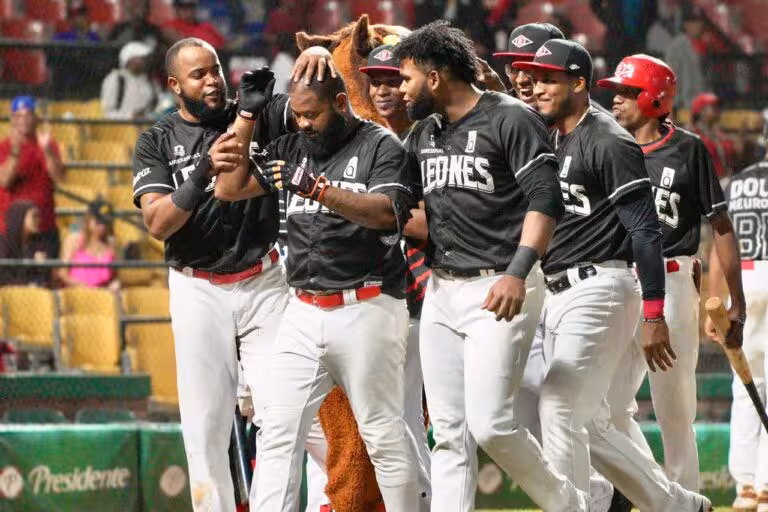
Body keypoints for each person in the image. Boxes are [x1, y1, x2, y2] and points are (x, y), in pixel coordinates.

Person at [394, 21, 588, 512]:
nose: (400, 88)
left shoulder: (509, 118)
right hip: (442, 288)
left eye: (406, 78)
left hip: (500, 283)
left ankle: (571, 504)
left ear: (434, 78)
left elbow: (547, 200)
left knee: (492, 424)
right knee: (450, 433)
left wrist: (518, 272)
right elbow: (408, 209)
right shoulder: (423, 133)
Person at [513, 39, 713, 511]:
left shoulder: (608, 139)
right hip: (560, 290)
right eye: (533, 78)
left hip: (601, 284)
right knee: (594, 420)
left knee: (560, 409)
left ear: (578, 83)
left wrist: (654, 313)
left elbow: (646, 231)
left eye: (548, 79)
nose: (536, 87)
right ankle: (679, 505)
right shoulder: (554, 135)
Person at [131, 37, 330, 512]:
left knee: (289, 411)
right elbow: (158, 223)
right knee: (205, 426)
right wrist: (200, 173)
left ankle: (324, 502)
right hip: (197, 286)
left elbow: (316, 108)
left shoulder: (256, 111)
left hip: (264, 280)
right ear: (174, 85)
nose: (213, 81)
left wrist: (317, 57)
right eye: (199, 74)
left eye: (215, 69)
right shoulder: (157, 140)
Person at [215, 65, 420, 510]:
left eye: (312, 115)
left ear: (341, 104)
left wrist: (318, 190)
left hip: (367, 304)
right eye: (297, 115)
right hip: (303, 310)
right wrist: (248, 119)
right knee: (277, 433)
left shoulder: (378, 145)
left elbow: (388, 213)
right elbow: (228, 189)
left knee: (382, 434)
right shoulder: (291, 147)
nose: (303, 124)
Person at [598, 54, 745, 493]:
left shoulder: (687, 148)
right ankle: (656, 494)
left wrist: (735, 300)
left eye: (626, 92)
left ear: (654, 97)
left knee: (674, 407)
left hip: (674, 276)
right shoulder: (606, 145)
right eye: (616, 93)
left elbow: (720, 225)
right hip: (620, 279)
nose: (616, 101)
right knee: (608, 405)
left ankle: (686, 494)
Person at [360, 42, 432, 511]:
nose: (385, 90)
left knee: (421, 419)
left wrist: (376, 212)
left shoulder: (429, 137)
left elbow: (431, 222)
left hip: (431, 292)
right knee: (399, 419)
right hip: (387, 294)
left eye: (394, 80)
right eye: (377, 81)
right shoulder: (371, 140)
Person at [707, 132, 767, 511]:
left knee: (746, 386)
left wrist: (714, 306)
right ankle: (765, 487)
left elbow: (719, 247)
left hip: (740, 280)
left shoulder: (734, 183)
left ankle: (745, 487)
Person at [0, 95, 62, 259]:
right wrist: (15, 151)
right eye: (19, 116)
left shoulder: (48, 144)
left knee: (45, 279)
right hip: (12, 231)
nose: (24, 120)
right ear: (12, 119)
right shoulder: (4, 147)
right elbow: (4, 181)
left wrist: (47, 150)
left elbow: (58, 177)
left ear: (35, 118)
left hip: (45, 225)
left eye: (28, 115)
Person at [57, 199, 119, 289]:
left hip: (104, 294)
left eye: (105, 223)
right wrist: (84, 287)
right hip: (78, 292)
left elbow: (115, 276)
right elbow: (63, 274)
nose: (102, 227)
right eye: (98, 222)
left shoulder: (111, 243)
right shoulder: (74, 240)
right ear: (89, 219)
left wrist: (114, 285)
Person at [101, 41, 162, 120]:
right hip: (119, 129)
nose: (144, 61)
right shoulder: (116, 79)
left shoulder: (152, 81)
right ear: (128, 59)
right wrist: (131, 116)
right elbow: (107, 112)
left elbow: (159, 107)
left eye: (145, 58)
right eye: (140, 58)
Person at [664, 4, 707, 111]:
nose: (697, 25)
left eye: (699, 21)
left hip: (705, 106)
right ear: (685, 24)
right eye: (692, 21)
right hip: (685, 106)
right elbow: (671, 80)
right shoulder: (676, 47)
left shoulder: (707, 45)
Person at [0, 200, 50, 287]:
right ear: (20, 217)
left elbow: (43, 278)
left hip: (32, 292)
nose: (38, 220)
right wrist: (23, 285)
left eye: (38, 216)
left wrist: (41, 266)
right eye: (34, 216)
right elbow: (2, 274)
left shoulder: (38, 244)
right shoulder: (4, 242)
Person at [690, 92, 733, 178]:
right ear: (701, 111)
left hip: (722, 181)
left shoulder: (719, 134)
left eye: (718, 107)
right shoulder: (692, 134)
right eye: (713, 106)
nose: (718, 109)